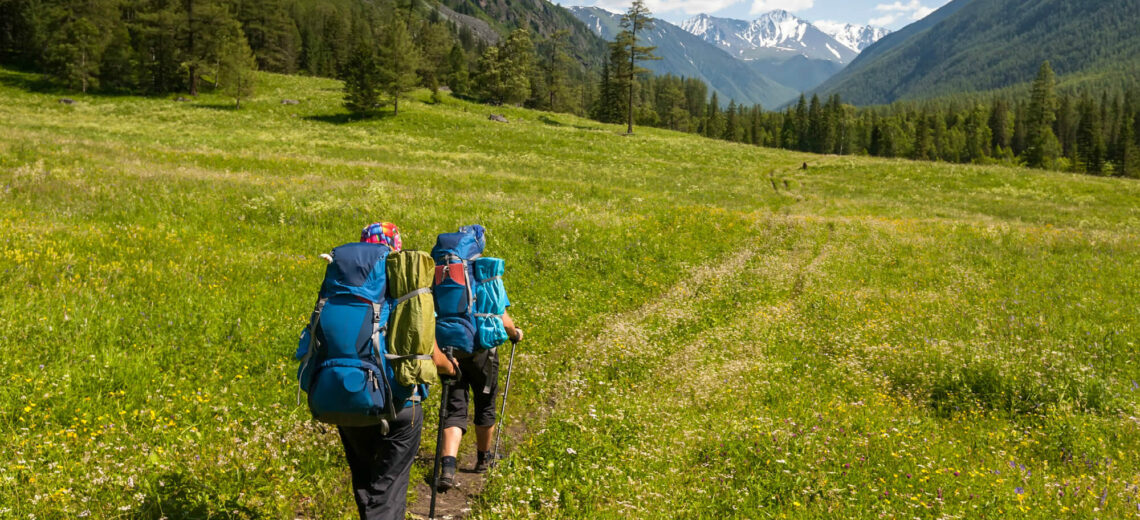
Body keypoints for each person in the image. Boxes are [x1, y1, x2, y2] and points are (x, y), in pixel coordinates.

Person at [337, 222, 459, 520]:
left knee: (366, 486)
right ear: (398, 249)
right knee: (387, 491)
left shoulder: (347, 287)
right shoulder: (408, 288)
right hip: (401, 403)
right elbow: (427, 348)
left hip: (349, 396)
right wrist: (450, 369)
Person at [437, 312, 523, 490]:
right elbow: (503, 319)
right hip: (481, 349)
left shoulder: (438, 282)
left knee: (454, 406)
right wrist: (515, 334)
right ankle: (483, 459)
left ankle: (448, 468)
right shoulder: (486, 282)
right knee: (485, 402)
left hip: (449, 351)